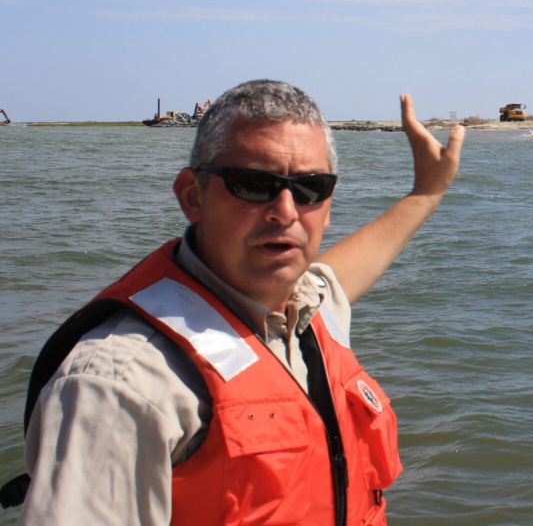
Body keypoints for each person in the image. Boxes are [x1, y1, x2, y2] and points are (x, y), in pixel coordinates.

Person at [6, 80, 464, 525]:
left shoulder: (303, 312)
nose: (286, 211)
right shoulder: (123, 385)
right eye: (252, 183)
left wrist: (426, 193)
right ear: (192, 195)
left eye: (310, 188)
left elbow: (339, 274)